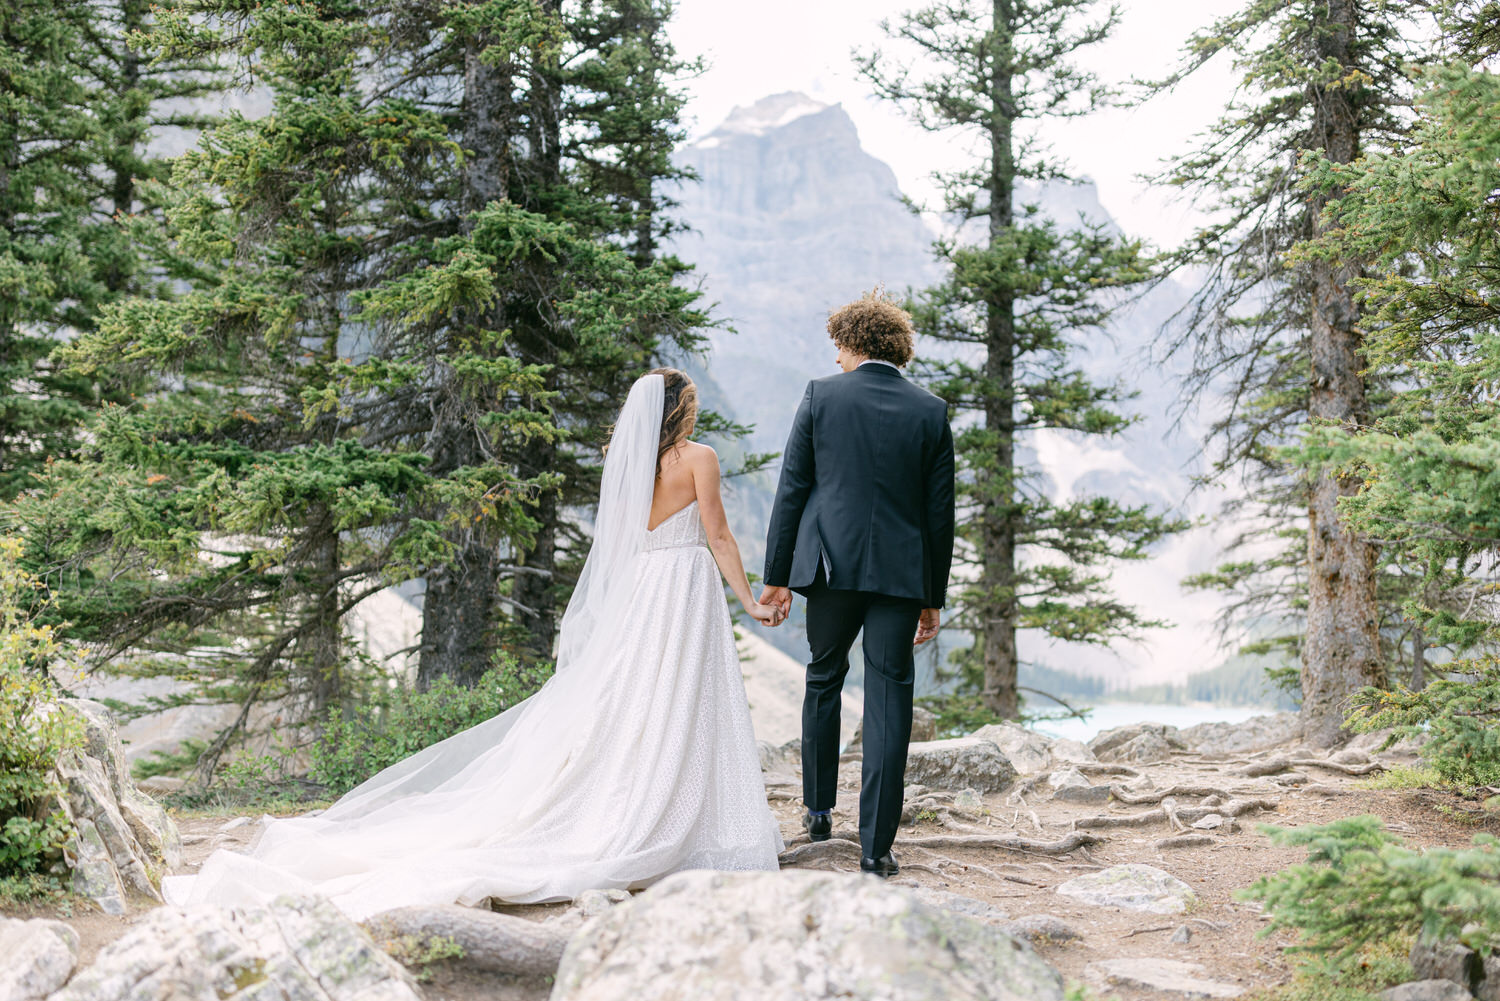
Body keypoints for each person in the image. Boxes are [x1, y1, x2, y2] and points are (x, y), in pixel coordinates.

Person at [162, 368, 786, 920]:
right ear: (682, 411)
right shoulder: (698, 458)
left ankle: (646, 796)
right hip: (684, 587)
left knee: (635, 700)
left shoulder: (630, 468)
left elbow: (624, 545)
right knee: (684, 699)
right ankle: (684, 813)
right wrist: (752, 600)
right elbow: (720, 536)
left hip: (644, 590)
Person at [760, 292, 956, 879]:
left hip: (829, 569)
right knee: (891, 697)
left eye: (838, 346)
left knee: (823, 678)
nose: (836, 356)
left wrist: (778, 578)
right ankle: (876, 848)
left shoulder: (821, 395)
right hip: (900, 577)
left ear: (851, 342)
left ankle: (818, 813)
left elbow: (792, 489)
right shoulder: (930, 410)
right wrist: (932, 597)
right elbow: (939, 513)